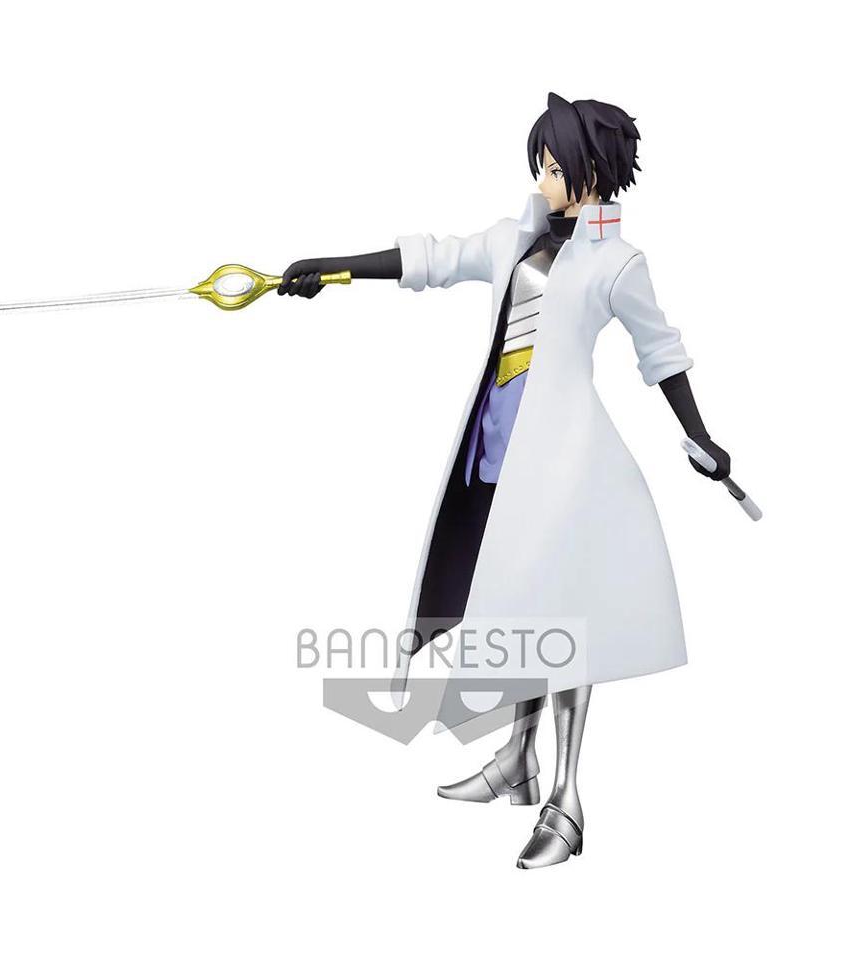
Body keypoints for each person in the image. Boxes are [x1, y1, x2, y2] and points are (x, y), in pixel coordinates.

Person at [277, 93, 736, 869]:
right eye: (541, 165)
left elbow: (660, 352)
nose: (543, 178)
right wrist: (336, 268)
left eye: (555, 167)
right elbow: (434, 259)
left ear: (593, 171)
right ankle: (518, 761)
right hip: (495, 445)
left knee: (565, 621)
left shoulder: (617, 262)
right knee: (516, 601)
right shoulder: (511, 239)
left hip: (566, 463)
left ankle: (567, 800)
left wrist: (700, 435)